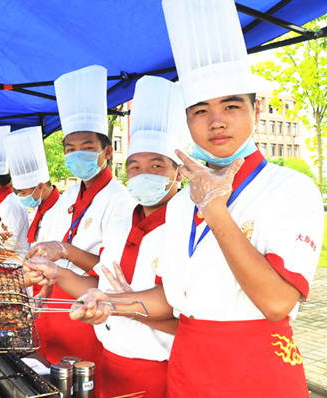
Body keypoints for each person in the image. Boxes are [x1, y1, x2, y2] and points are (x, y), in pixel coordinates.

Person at [71, 1, 324, 397]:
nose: (216, 121)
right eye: (201, 110)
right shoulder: (181, 202)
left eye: (231, 106)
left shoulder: (290, 188)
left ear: (256, 111)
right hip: (187, 363)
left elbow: (277, 302)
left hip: (255, 366)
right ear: (188, 121)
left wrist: (214, 208)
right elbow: (172, 298)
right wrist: (109, 302)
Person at [25, 76, 185, 398]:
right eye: (136, 167)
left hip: (160, 369)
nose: (144, 174)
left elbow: (182, 316)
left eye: (157, 165)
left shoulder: (188, 226)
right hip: (109, 361)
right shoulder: (121, 226)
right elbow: (99, 287)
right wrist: (55, 272)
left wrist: (117, 302)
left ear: (178, 172)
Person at [25, 65, 136, 367]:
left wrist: (66, 251)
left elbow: (110, 270)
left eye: (88, 147)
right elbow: (55, 254)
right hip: (52, 304)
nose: (78, 155)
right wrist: (44, 289)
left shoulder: (120, 199)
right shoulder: (70, 196)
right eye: (71, 148)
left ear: (107, 152)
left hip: (86, 308)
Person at [4, 126, 61, 296]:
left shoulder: (61, 210)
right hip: (33, 286)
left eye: (23, 192)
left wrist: (10, 283)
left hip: (53, 291)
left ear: (40, 187)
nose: (20, 197)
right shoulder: (40, 209)